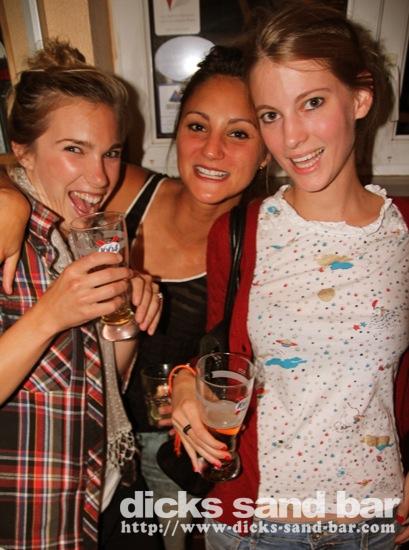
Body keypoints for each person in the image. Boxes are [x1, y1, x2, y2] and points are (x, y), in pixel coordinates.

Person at [0, 45, 269, 549]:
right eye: (197, 126)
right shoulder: (110, 201)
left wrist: (132, 316)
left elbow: (106, 367)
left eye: (238, 133)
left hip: (143, 456)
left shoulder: (264, 238)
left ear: (267, 150)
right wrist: (8, 201)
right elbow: (27, 164)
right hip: (71, 479)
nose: (212, 150)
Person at [171, 3, 409, 549]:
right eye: (271, 115)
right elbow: (215, 352)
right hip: (254, 526)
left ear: (361, 98)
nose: (292, 137)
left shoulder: (404, 232)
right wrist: (185, 381)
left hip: (373, 524)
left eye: (313, 103)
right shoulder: (241, 231)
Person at [0, 40, 163, 550]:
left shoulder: (84, 237)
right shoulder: (6, 233)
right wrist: (50, 314)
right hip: (39, 521)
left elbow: (104, 382)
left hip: (109, 490)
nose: (100, 177)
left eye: (110, 152)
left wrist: (126, 313)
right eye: (74, 149)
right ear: (22, 150)